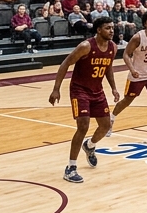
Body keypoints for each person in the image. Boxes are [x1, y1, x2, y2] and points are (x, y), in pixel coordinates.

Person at [48, 17, 123, 184]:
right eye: (107, 28)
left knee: (105, 126)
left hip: (97, 90)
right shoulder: (86, 46)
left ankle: (89, 145)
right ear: (98, 30)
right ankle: (71, 168)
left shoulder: (113, 47)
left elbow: (108, 67)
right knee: (83, 125)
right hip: (79, 90)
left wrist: (113, 88)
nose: (111, 30)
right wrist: (56, 89)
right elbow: (65, 64)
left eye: (112, 28)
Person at [108, 9, 147, 145]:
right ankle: (111, 119)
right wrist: (132, 69)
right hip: (137, 75)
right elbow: (126, 54)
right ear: (145, 24)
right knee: (127, 100)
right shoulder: (138, 37)